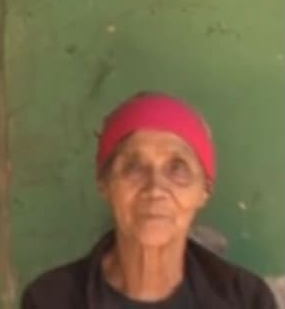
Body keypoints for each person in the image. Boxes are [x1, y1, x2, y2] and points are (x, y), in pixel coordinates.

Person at [21, 92, 277, 308]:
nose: (155, 188)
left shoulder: (245, 299)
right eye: (133, 167)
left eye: (177, 169)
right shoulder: (51, 299)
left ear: (204, 190)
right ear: (104, 183)